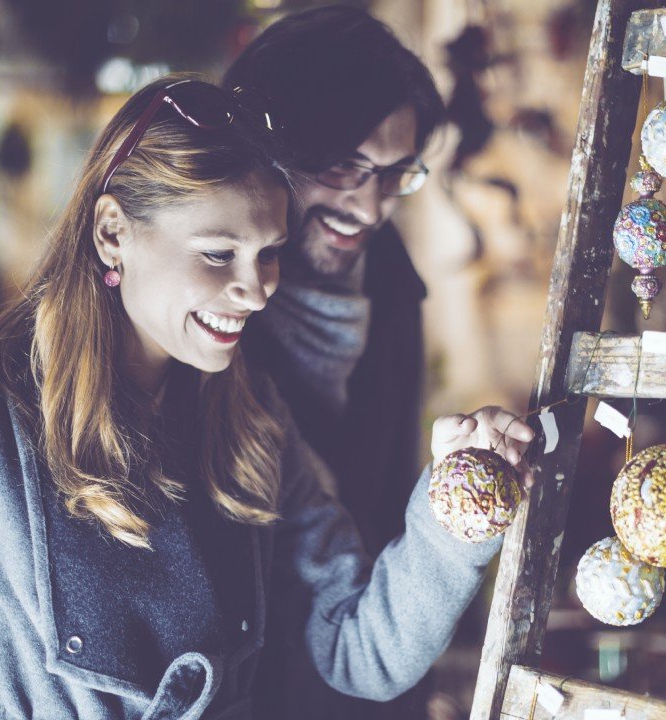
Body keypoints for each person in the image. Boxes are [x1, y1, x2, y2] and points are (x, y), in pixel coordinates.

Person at [0, 73, 533, 720]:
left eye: (268, 252)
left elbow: (364, 651)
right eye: (218, 253)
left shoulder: (251, 419)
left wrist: (456, 511)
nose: (259, 287)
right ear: (112, 232)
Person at [224, 10, 444, 716]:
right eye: (343, 166)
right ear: (267, 147)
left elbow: (382, 503)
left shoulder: (390, 278)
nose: (370, 205)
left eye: (393, 174)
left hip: (357, 673)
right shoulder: (195, 307)